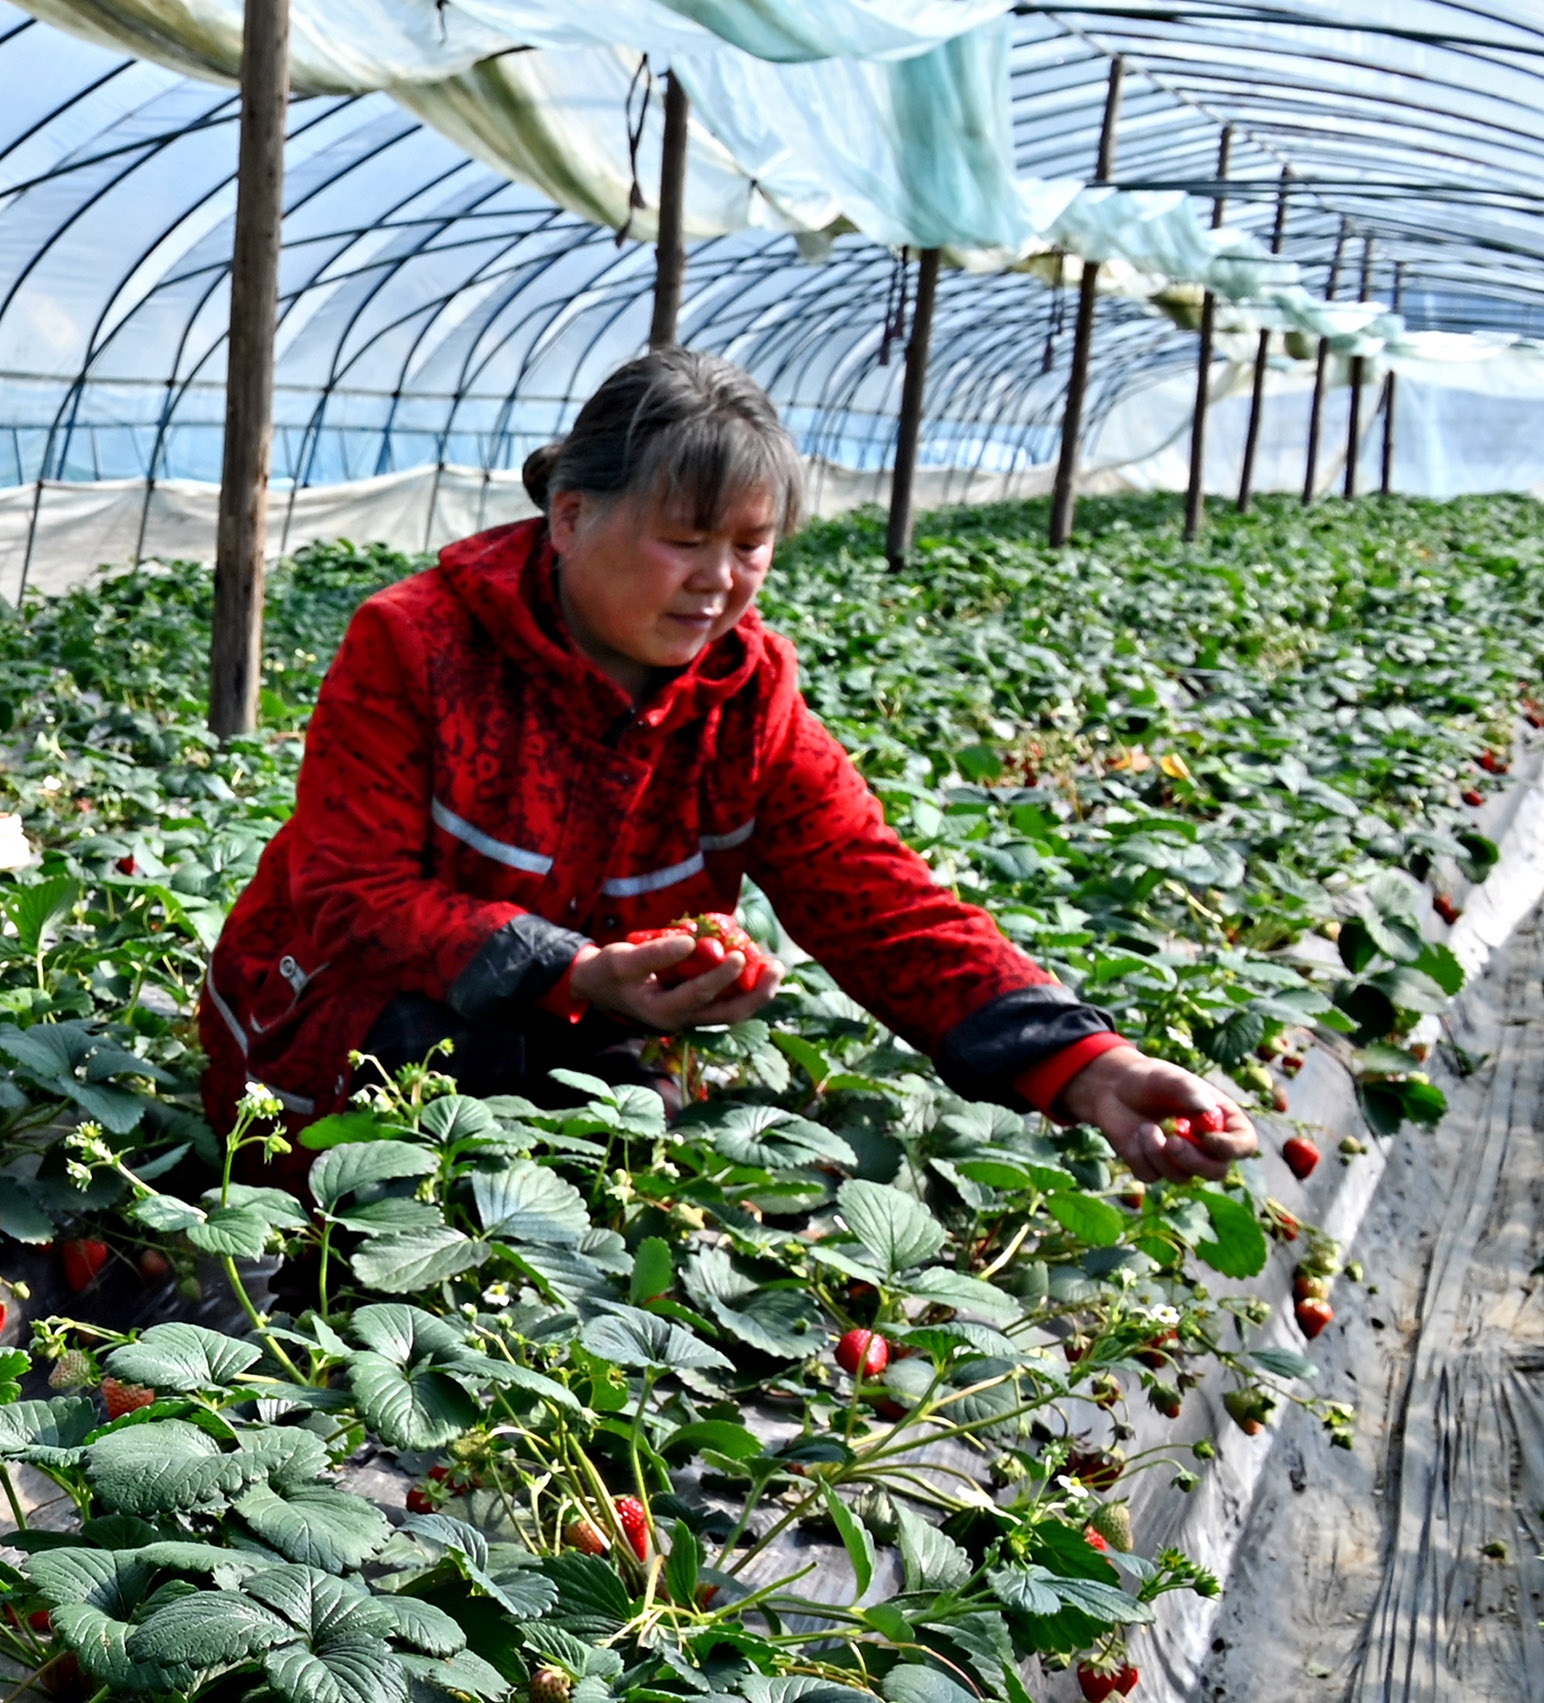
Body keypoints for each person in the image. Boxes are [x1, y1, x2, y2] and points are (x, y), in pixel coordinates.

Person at [197, 347, 1254, 1184]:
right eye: (687, 539)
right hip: (334, 1039)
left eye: (751, 545)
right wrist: (572, 967)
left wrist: (1084, 1065)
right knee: (424, 1100)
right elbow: (350, 892)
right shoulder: (419, 645)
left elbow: (873, 893)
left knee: (617, 1163)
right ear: (570, 516)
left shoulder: (744, 695)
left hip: (580, 1032)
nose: (721, 581)